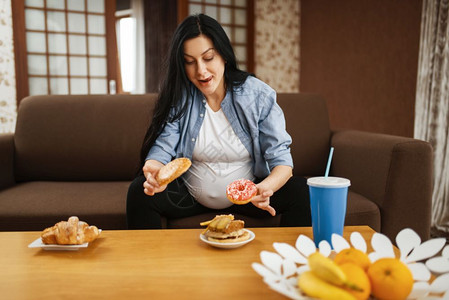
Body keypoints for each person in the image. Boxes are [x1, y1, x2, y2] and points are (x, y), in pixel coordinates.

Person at [126, 14, 311, 229]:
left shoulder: (257, 95)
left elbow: (282, 163)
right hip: (191, 198)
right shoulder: (181, 97)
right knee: (139, 191)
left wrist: (264, 189)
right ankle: (147, 263)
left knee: (301, 190)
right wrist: (153, 173)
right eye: (189, 62)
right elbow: (162, 149)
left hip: (248, 198)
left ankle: (291, 261)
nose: (201, 71)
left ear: (223, 54)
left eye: (208, 58)